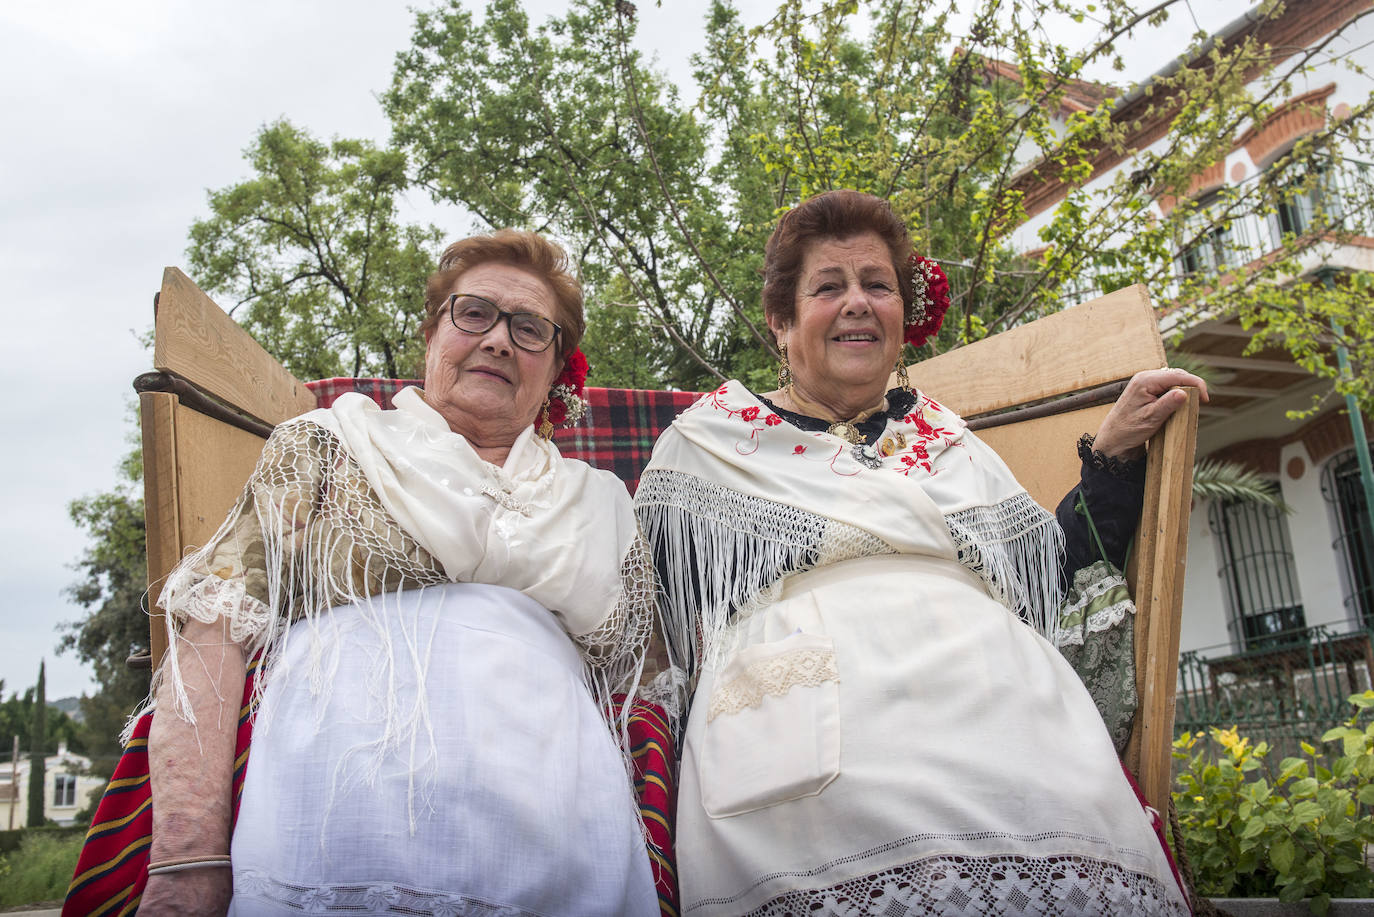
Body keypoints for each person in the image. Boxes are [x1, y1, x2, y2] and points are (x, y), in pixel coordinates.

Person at [634, 190, 1204, 915]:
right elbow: (654, 633)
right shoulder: (705, 445)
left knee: (1061, 811)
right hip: (804, 726)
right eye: (828, 287)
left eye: (877, 285)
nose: (857, 303)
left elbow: (1047, 580)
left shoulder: (950, 438)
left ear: (903, 316)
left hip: (998, 710)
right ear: (780, 322)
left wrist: (1113, 453)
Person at [139, 230, 659, 916]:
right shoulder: (327, 447)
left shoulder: (604, 507)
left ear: (557, 366)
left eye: (530, 329)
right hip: (328, 852)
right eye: (474, 313)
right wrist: (186, 864)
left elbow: (649, 704)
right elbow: (211, 638)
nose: (499, 340)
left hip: (566, 863)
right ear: (433, 335)